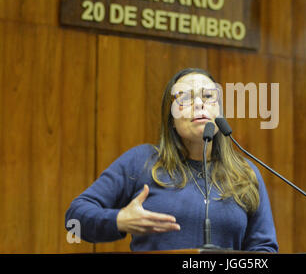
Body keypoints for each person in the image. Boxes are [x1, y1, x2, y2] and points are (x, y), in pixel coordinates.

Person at [65, 68, 278, 252]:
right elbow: (75, 217)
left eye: (207, 96)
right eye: (185, 98)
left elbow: (264, 248)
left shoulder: (244, 172)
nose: (198, 104)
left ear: (218, 112)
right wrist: (119, 220)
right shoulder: (142, 161)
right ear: (172, 121)